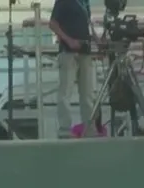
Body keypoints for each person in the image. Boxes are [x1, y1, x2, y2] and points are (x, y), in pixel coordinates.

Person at [49, 0, 95, 137]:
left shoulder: (85, 2)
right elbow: (53, 23)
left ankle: (89, 127)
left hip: (85, 50)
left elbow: (87, 23)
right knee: (66, 92)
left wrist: (97, 40)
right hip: (68, 51)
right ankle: (64, 129)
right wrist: (69, 40)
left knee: (88, 93)